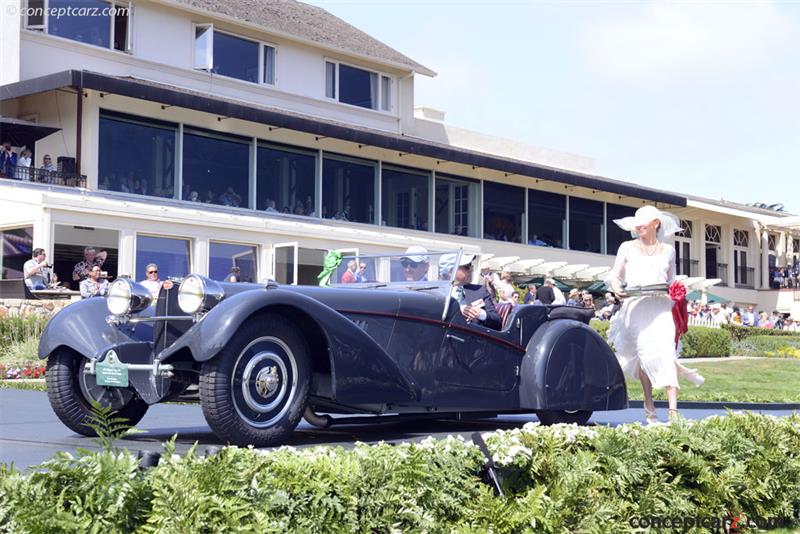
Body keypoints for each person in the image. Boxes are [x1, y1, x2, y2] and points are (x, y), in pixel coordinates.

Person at [606, 205, 704, 425]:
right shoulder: (627, 247)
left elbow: (671, 280)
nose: (638, 226)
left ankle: (673, 412)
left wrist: (677, 290)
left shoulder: (669, 250)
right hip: (636, 306)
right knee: (642, 356)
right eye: (637, 223)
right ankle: (649, 405)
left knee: (666, 353)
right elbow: (615, 275)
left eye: (643, 222)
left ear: (655, 224)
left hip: (661, 307)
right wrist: (616, 287)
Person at [447, 253, 502, 330]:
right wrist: (457, 310)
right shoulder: (439, 292)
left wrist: (480, 314)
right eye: (467, 267)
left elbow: (497, 321)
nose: (471, 269)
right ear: (451, 271)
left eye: (471, 266)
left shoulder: (479, 291)